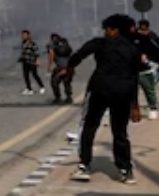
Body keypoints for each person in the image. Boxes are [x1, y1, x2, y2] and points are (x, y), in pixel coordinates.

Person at [62, 15, 144, 184]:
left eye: (107, 29)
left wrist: (69, 70)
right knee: (120, 132)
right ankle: (125, 170)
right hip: (123, 93)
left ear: (114, 29)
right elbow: (135, 77)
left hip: (99, 90)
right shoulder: (133, 49)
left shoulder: (100, 43)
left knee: (89, 128)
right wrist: (135, 106)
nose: (105, 32)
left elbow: (77, 56)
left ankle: (84, 166)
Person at [46, 33, 75, 105]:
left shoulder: (52, 46)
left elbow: (51, 55)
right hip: (69, 68)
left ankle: (58, 98)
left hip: (60, 68)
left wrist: (49, 65)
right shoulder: (66, 45)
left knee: (54, 82)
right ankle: (69, 97)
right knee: (67, 82)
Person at [19, 30, 45, 95]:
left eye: (25, 35)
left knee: (35, 74)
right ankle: (29, 88)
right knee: (26, 75)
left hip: (32, 62)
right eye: (22, 35)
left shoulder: (32, 43)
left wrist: (37, 60)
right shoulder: (23, 43)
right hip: (25, 62)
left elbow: (37, 52)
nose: (23, 36)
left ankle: (42, 87)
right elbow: (24, 52)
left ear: (28, 35)